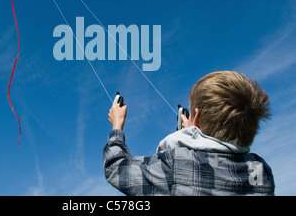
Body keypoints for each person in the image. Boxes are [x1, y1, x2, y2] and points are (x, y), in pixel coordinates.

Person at [103, 71, 275, 195]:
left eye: (192, 114)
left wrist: (117, 125)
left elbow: (116, 169)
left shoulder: (175, 163)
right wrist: (193, 133)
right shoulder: (260, 171)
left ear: (197, 118)